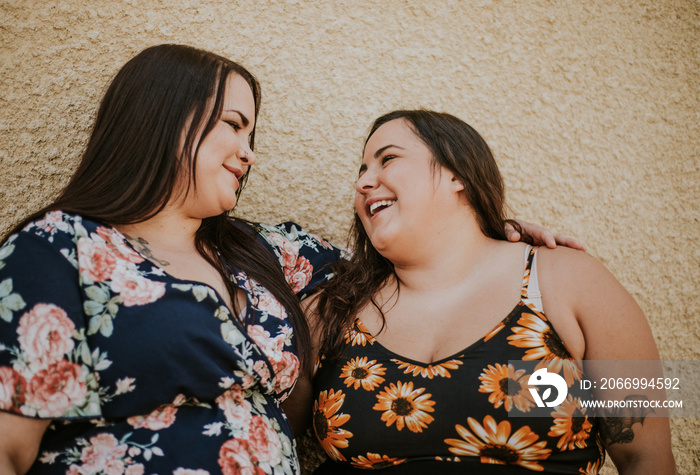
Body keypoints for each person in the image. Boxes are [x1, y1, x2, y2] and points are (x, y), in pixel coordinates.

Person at [0, 46, 574, 474]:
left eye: (252, 132)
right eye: (233, 125)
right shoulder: (57, 249)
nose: (248, 153)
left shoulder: (267, 254)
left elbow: (652, 407)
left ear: (455, 176)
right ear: (163, 118)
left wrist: (487, 232)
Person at [285, 110, 676, 474]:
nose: (363, 182)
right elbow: (264, 433)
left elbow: (646, 458)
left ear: (458, 174)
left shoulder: (567, 279)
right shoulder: (329, 310)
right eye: (362, 170)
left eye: (387, 159)